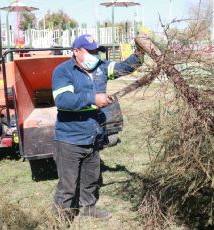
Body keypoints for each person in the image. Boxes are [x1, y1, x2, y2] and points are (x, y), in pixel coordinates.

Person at [51, 34, 144, 220]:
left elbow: (124, 67)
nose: (94, 54)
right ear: (76, 51)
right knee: (68, 184)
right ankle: (60, 219)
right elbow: (62, 100)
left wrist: (140, 53)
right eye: (89, 51)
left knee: (91, 177)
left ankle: (88, 209)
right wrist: (92, 99)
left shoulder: (100, 67)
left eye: (95, 50)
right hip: (70, 139)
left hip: (93, 135)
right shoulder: (63, 71)